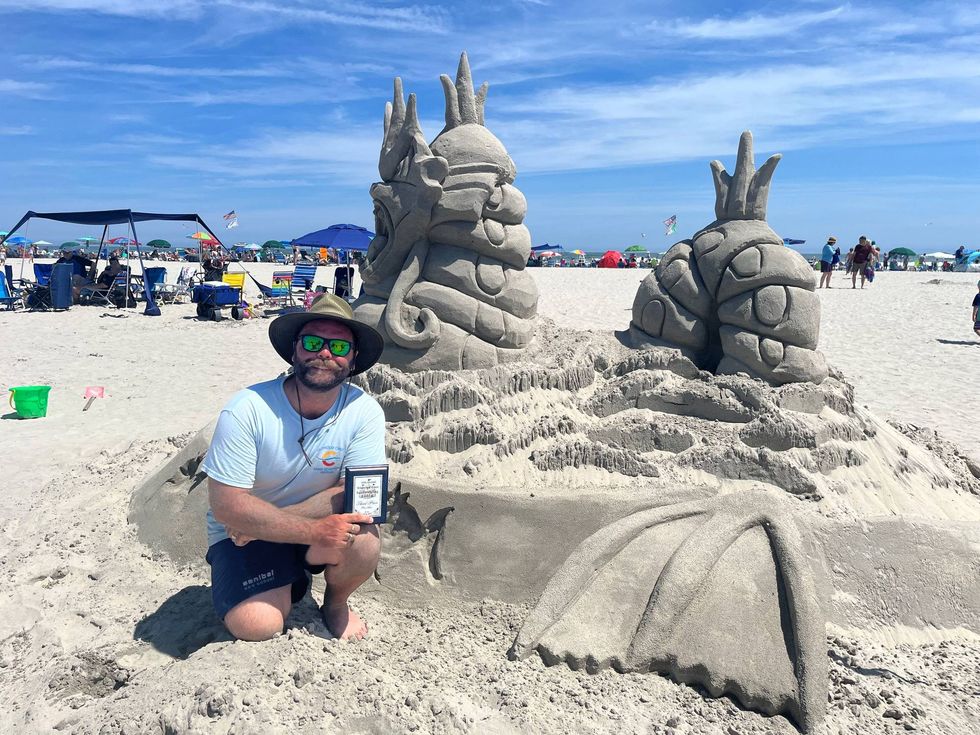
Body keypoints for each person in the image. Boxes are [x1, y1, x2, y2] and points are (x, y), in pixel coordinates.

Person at [202, 294, 386, 642]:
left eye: (339, 346)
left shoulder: (364, 411)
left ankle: (335, 602)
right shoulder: (248, 408)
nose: (325, 353)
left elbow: (362, 493)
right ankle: (287, 579)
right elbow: (228, 506)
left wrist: (267, 523)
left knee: (365, 543)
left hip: (273, 528)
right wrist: (307, 531)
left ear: (354, 358)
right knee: (257, 625)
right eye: (314, 342)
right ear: (294, 351)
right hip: (240, 537)